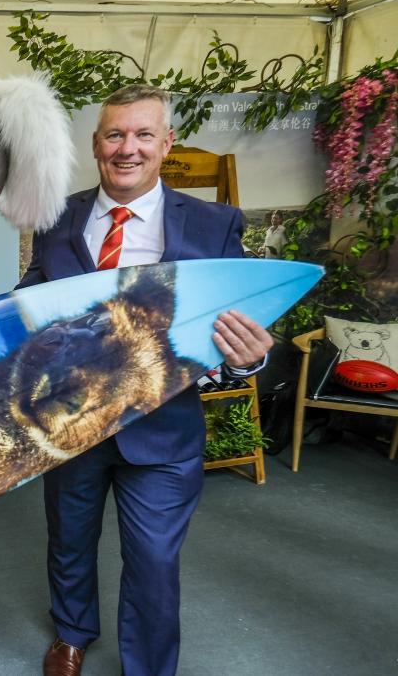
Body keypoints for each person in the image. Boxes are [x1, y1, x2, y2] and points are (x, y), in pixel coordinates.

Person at [17, 84, 273, 676]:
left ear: (166, 143)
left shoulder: (214, 225)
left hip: (164, 432)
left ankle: (150, 667)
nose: (127, 148)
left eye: (142, 135)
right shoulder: (56, 218)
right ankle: (72, 634)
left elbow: (237, 320)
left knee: (155, 559)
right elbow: (34, 292)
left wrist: (247, 358)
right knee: (69, 540)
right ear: (96, 143)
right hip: (74, 424)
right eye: (114, 135)